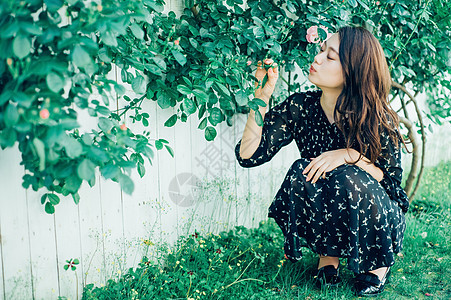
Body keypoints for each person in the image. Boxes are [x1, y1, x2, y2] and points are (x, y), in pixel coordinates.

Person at [234, 26, 409, 297]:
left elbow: (393, 189)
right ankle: (328, 256)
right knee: (300, 171)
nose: (316, 59)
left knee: (346, 175)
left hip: (380, 216)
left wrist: (350, 155)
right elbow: (249, 155)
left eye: (330, 56)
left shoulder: (377, 117)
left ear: (353, 69)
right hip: (331, 210)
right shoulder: (301, 107)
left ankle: (378, 262)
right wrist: (261, 95)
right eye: (320, 51)